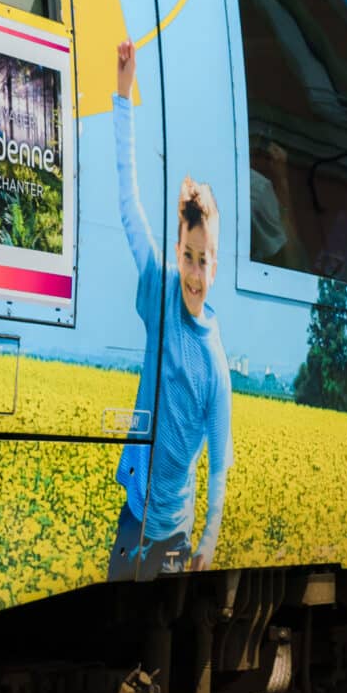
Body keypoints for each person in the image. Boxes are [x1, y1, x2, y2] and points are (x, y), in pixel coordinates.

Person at [109, 40, 233, 579]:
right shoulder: (160, 292)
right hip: (133, 517)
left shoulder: (215, 364)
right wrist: (122, 94)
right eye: (187, 256)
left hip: (174, 537)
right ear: (177, 249)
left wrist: (209, 537)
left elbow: (220, 462)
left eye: (204, 261)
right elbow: (128, 203)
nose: (194, 274)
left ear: (216, 262)